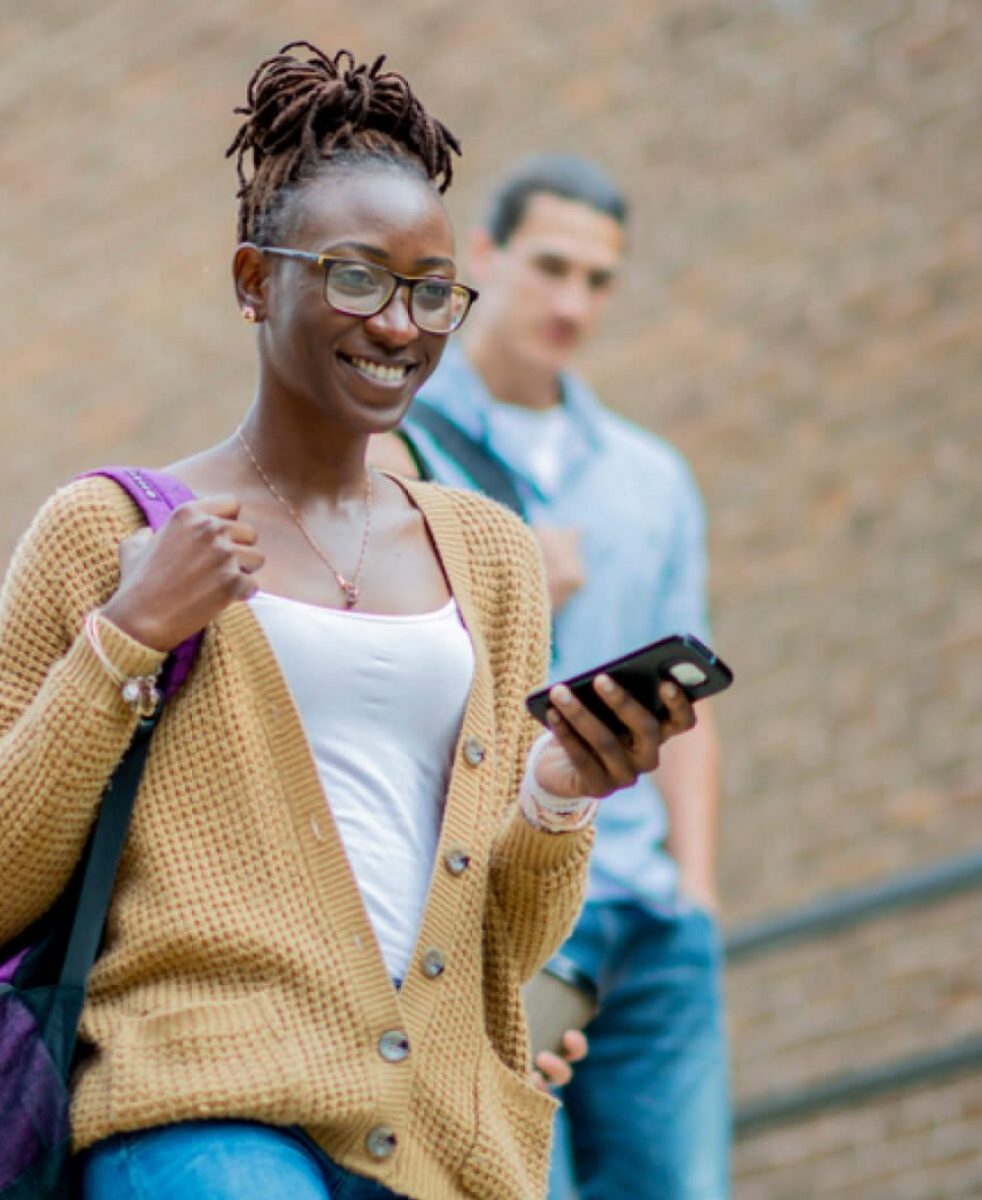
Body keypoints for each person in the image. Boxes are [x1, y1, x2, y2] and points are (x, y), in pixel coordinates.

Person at [0, 43, 697, 1200]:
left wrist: (561, 791)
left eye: (432, 291)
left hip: (443, 1138)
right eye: (357, 277)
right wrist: (126, 637)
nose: (400, 325)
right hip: (204, 1118)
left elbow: (504, 950)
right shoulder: (112, 529)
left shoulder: (493, 557)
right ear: (250, 279)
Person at [381, 154, 730, 1200]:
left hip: (650, 919)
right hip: (507, 900)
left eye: (598, 280)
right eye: (550, 268)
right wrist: (526, 582)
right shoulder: (397, 447)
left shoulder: (650, 477)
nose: (572, 302)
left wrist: (698, 894)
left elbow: (691, 711)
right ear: (483, 257)